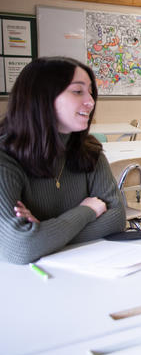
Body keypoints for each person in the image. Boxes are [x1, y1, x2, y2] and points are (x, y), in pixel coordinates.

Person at [0, 57, 126, 264]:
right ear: (42, 97)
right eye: (78, 91)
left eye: (91, 92)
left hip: (84, 271)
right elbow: (21, 247)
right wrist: (87, 211)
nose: (91, 102)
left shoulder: (89, 150)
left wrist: (43, 234)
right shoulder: (5, 158)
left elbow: (116, 219)